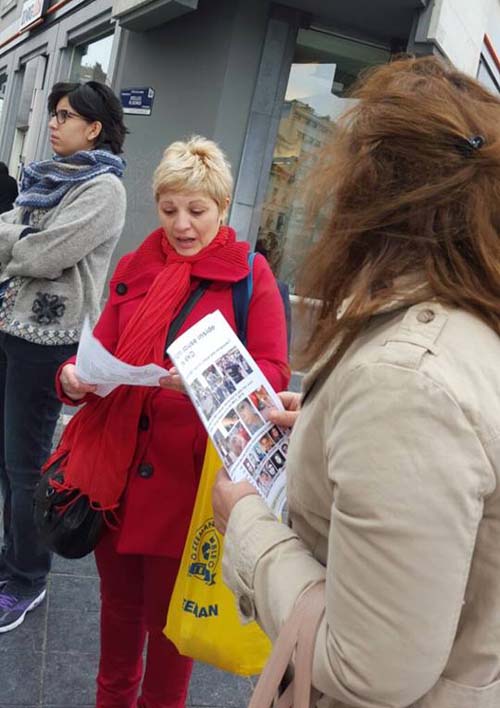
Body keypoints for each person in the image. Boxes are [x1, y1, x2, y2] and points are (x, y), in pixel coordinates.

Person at [213, 55, 500, 708]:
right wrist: (321, 421)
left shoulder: (408, 379)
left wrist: (247, 523)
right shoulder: (467, 319)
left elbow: (368, 667)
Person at [55, 135, 289, 708]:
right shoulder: (137, 265)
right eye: (168, 210)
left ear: (222, 208)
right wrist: (71, 376)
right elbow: (100, 348)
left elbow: (271, 371)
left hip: (189, 497)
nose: (182, 225)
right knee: (115, 635)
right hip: (115, 486)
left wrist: (209, 377)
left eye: (197, 210)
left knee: (170, 649)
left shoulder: (251, 278)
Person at [0, 81, 127, 632]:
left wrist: (22, 242)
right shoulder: (45, 179)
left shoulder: (104, 189)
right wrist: (24, 240)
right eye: (53, 114)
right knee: (6, 458)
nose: (53, 124)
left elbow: (49, 253)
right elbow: (13, 229)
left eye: (65, 115)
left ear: (94, 128)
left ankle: (28, 578)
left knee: (27, 461)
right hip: (9, 323)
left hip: (48, 342)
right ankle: (12, 558)